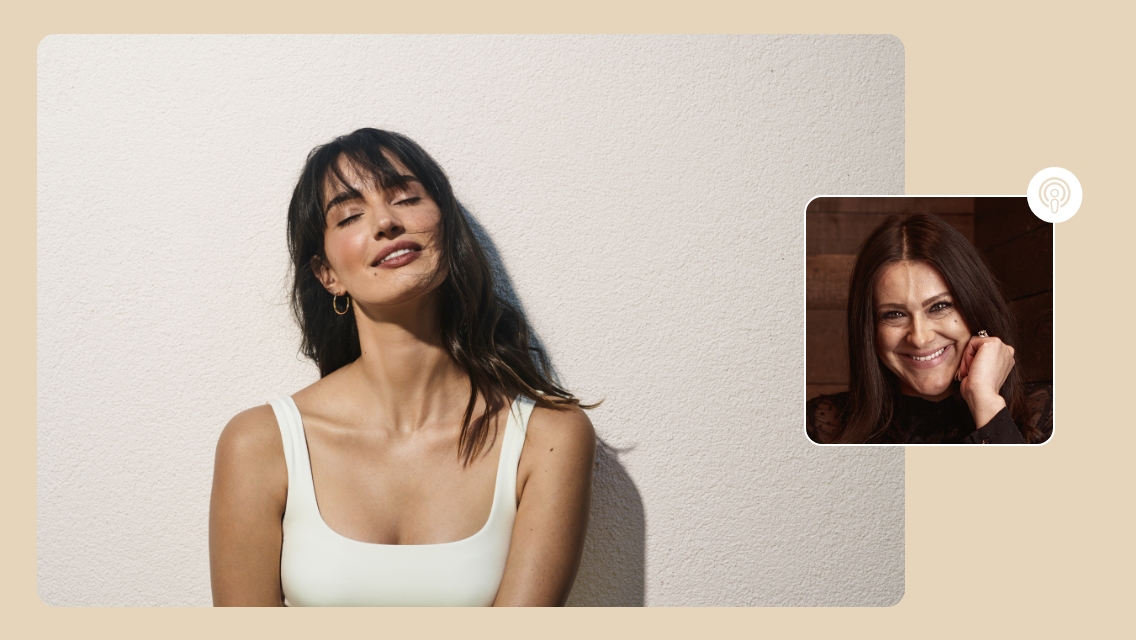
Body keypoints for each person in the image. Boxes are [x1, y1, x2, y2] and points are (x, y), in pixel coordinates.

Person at [209, 129, 597, 606]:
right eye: (351, 214)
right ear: (327, 274)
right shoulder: (259, 443)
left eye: (406, 198)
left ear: (447, 228)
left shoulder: (549, 437)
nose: (386, 222)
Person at [806, 213, 1052, 445]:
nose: (920, 339)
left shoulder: (1048, 415)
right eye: (894, 314)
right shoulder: (822, 426)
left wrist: (986, 404)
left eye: (940, 306)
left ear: (975, 308)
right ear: (869, 329)